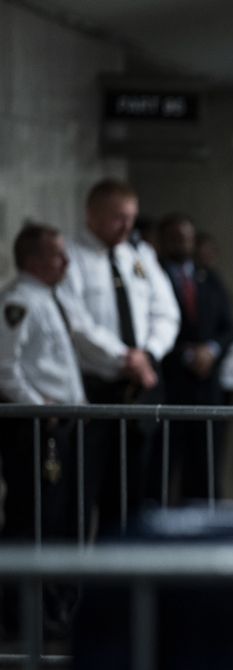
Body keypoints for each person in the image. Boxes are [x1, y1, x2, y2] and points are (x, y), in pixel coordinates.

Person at [58, 178, 180, 529]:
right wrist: (126, 358)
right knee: (81, 492)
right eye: (117, 218)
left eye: (131, 217)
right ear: (92, 215)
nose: (127, 226)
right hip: (95, 392)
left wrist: (149, 353)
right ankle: (74, 580)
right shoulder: (71, 256)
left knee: (131, 495)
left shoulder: (138, 256)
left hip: (139, 391)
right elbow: (77, 323)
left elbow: (166, 312)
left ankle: (121, 578)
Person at [0, 222, 86, 540]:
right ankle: (21, 589)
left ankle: (55, 590)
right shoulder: (19, 302)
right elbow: (4, 368)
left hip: (60, 422)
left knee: (59, 512)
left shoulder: (49, 298)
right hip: (37, 427)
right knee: (35, 513)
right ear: (34, 261)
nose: (66, 262)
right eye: (57, 255)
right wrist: (38, 407)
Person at [158, 213, 233, 501]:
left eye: (187, 238)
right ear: (163, 241)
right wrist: (185, 354)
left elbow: (229, 327)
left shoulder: (208, 278)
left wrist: (212, 349)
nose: (182, 243)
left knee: (205, 466)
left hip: (207, 387)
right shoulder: (154, 276)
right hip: (169, 386)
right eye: (175, 238)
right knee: (163, 467)